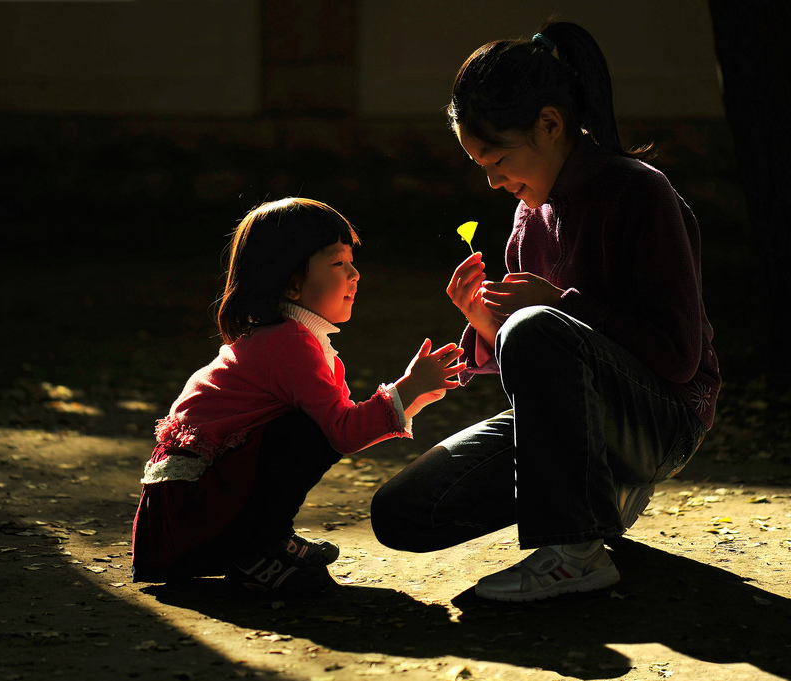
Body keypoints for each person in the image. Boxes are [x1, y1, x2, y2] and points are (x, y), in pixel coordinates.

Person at [370, 21, 721, 602]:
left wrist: (556, 309)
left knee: (537, 326)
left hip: (663, 419)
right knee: (403, 511)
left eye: (498, 158)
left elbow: (679, 358)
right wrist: (489, 327)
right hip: (568, 428)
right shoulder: (529, 217)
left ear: (551, 124)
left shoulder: (639, 193)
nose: (491, 180)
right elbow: (541, 365)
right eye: (478, 164)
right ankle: (596, 494)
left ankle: (574, 552)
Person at [132, 197, 465, 594]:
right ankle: (256, 550)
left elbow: (347, 425)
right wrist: (408, 387)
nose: (355, 274)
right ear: (292, 282)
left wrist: (417, 391)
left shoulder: (297, 340)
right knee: (307, 432)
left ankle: (266, 540)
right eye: (338, 264)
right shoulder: (288, 343)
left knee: (310, 428)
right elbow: (343, 431)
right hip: (192, 515)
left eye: (351, 261)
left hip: (197, 509)